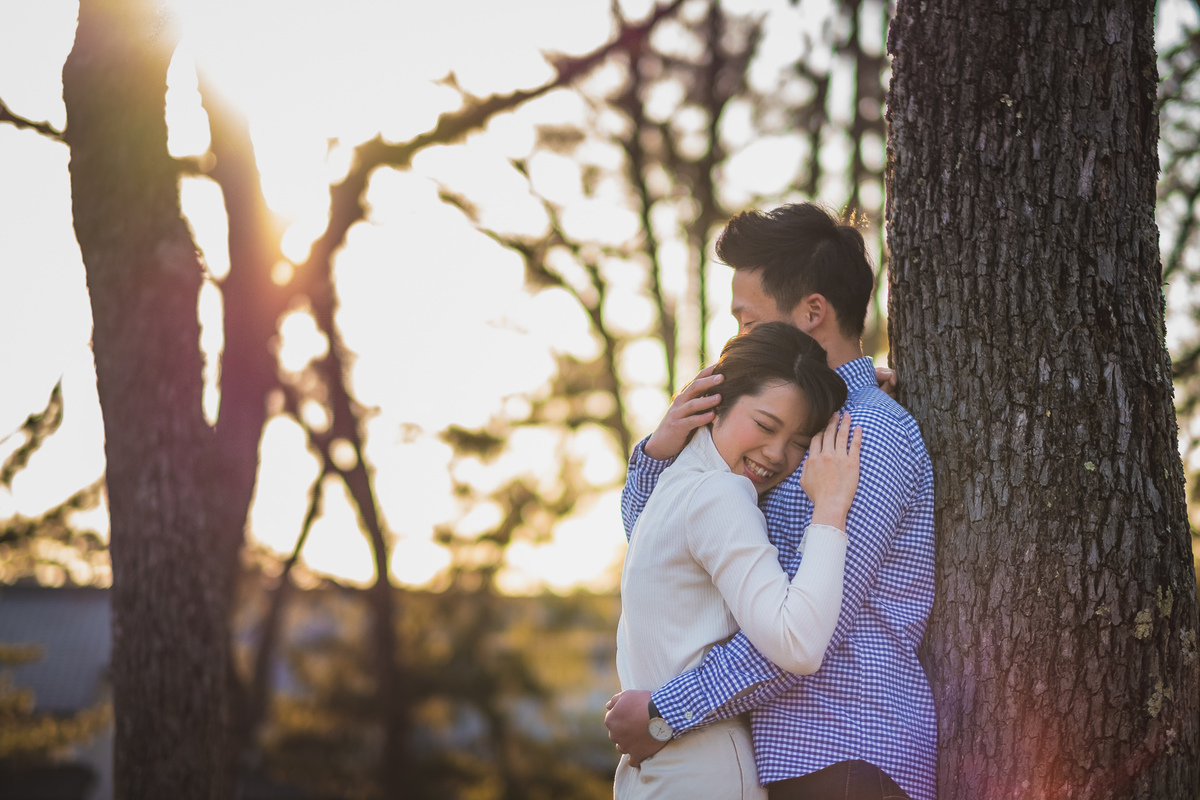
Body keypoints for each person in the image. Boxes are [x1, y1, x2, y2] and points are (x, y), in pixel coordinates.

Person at [605, 203, 936, 800]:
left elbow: (810, 632)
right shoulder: (788, 431)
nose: (739, 341)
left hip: (844, 755)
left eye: (748, 322)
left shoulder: (868, 435)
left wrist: (665, 713)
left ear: (813, 312)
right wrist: (659, 451)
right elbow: (663, 555)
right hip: (789, 763)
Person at [615, 321, 862, 799]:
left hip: (677, 766)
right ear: (714, 403)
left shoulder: (680, 482)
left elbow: (795, 645)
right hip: (695, 767)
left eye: (799, 442)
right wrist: (831, 510)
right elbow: (800, 642)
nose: (776, 454)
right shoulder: (719, 493)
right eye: (766, 426)